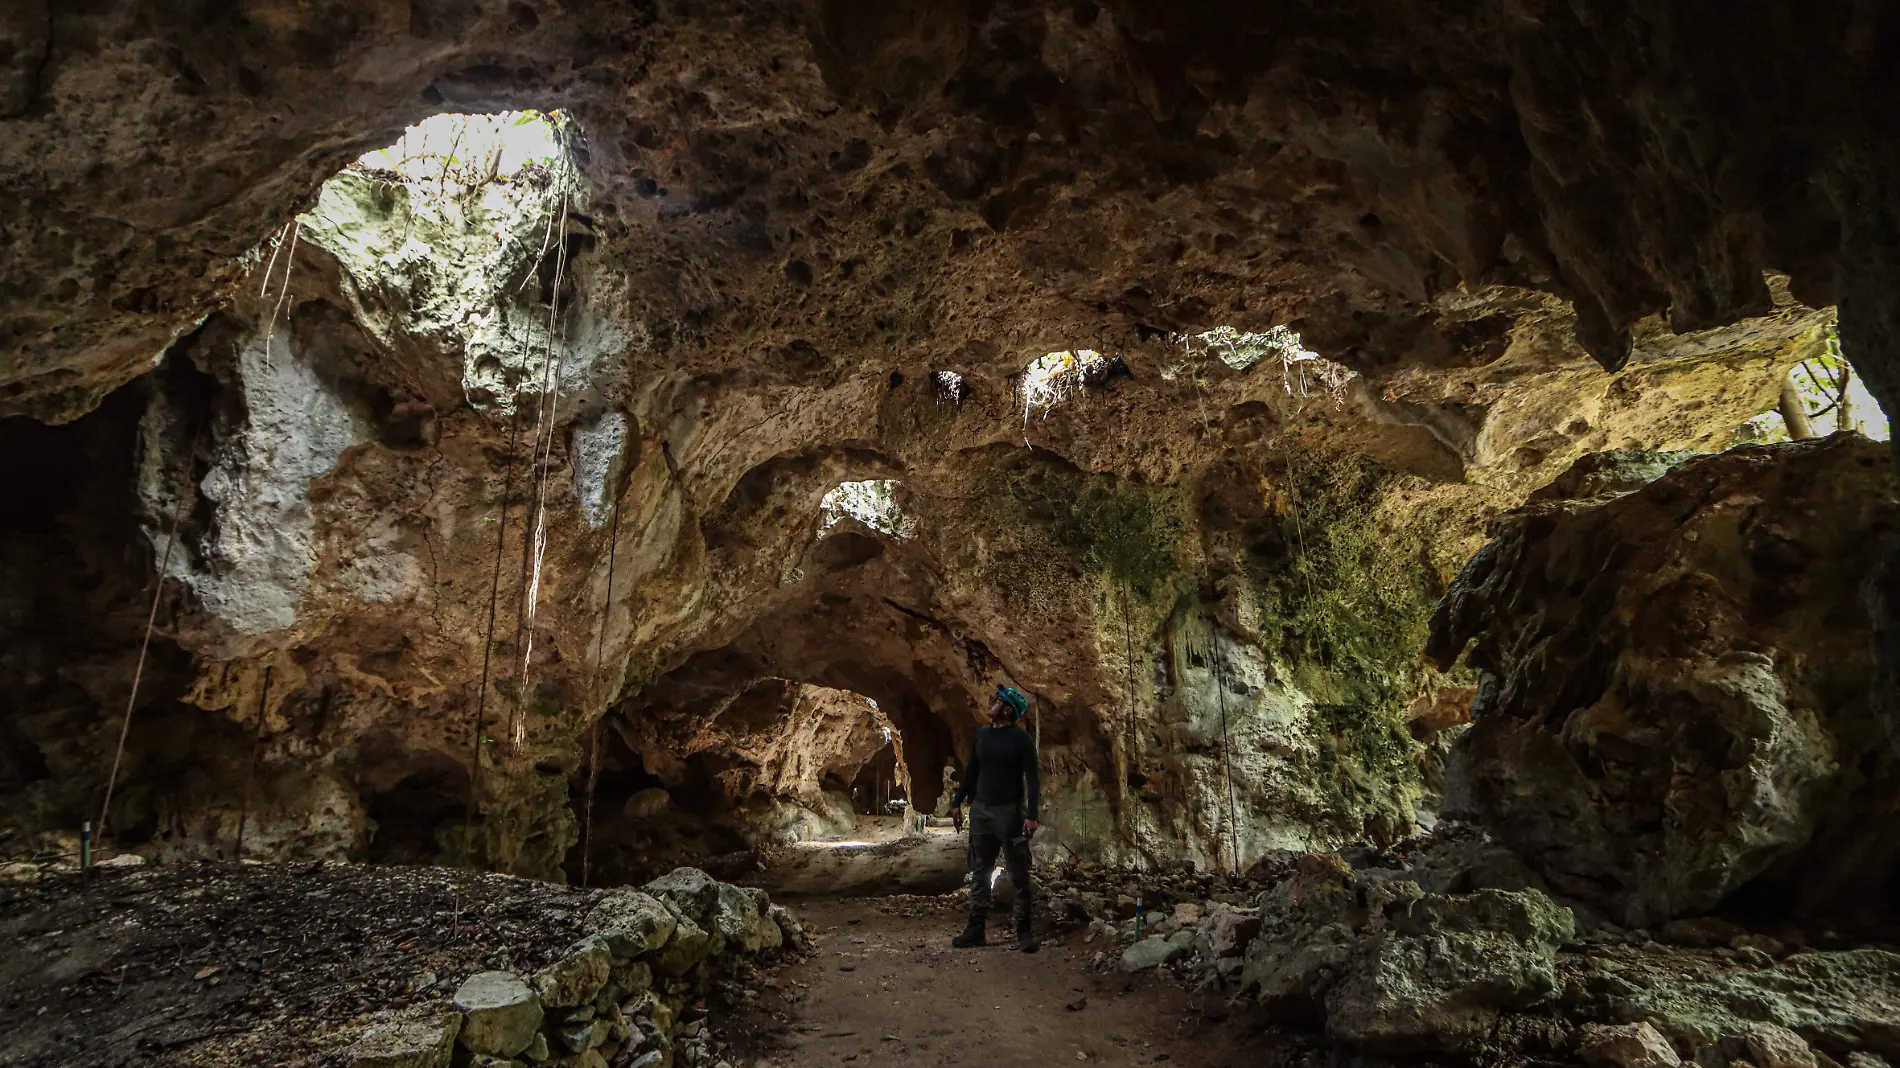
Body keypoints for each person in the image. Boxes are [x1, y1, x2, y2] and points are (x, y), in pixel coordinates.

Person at [948, 685, 1041, 952]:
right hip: (981, 810)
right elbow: (972, 772)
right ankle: (976, 929)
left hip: (1009, 812)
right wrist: (957, 802)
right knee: (980, 871)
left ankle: (1024, 930)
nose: (991, 702)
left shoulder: (1021, 740)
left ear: (1008, 709)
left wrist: (1032, 816)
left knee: (1019, 872)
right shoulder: (982, 735)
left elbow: (1033, 779)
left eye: (997, 700)